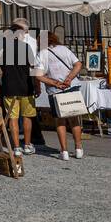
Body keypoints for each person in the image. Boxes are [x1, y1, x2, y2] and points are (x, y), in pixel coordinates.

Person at [0, 18, 42, 156]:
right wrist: (37, 85)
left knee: (13, 118)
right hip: (26, 86)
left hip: (9, 86)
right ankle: (27, 145)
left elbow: (0, 69)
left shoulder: (2, 49)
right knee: (27, 117)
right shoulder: (26, 47)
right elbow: (33, 68)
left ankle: (16, 147)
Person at [39, 26, 83, 160]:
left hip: (55, 90)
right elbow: (78, 64)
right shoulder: (64, 49)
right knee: (74, 119)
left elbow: (38, 76)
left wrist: (55, 83)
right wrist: (69, 78)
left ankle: (64, 151)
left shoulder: (41, 54)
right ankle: (78, 148)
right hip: (71, 87)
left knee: (60, 122)